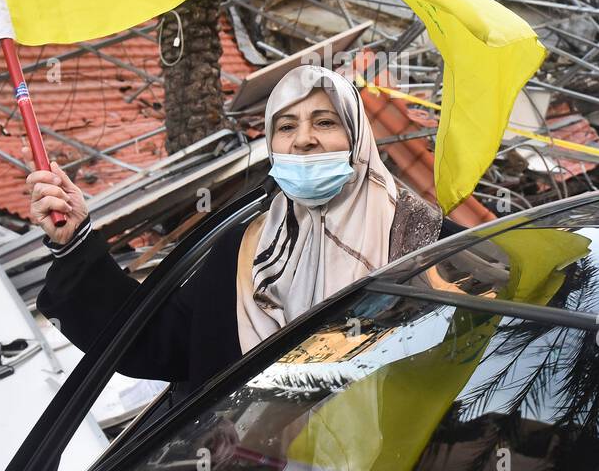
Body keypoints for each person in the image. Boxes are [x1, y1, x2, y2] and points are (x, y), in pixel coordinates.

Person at [27, 65, 463, 402]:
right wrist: (76, 241)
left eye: (325, 122)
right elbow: (162, 342)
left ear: (357, 137)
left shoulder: (425, 240)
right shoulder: (244, 248)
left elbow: (481, 370)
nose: (303, 140)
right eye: (286, 126)